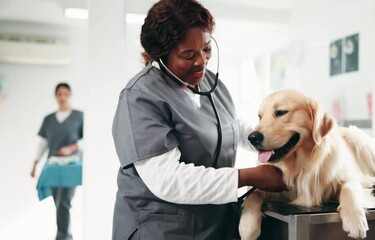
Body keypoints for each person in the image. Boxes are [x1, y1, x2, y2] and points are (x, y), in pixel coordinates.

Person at [111, 0, 287, 239]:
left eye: (206, 49)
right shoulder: (141, 97)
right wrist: (250, 176)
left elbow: (229, 128)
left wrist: (276, 139)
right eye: (188, 54)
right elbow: (168, 180)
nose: (201, 61)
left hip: (211, 225)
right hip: (162, 229)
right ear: (161, 54)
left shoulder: (210, 84)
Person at [30, 83, 83, 240]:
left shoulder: (79, 116)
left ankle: (62, 237)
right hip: (52, 167)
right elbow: (42, 144)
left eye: (65, 94)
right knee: (58, 202)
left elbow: (88, 139)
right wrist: (34, 164)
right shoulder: (49, 120)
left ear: (70, 95)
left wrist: (71, 147)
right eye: (59, 94)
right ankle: (67, 235)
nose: (62, 97)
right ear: (55, 96)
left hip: (71, 167)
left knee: (64, 201)